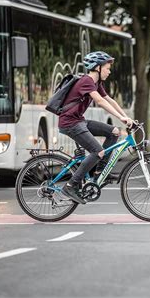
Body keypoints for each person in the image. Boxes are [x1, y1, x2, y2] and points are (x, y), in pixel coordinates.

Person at [59, 51, 133, 204]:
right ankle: (70, 186)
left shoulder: (96, 83)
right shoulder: (86, 81)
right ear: (98, 68)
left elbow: (109, 100)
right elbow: (100, 101)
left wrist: (126, 117)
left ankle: (100, 172)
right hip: (70, 123)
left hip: (79, 121)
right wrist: (120, 118)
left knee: (114, 132)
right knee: (97, 151)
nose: (109, 71)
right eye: (107, 68)